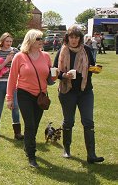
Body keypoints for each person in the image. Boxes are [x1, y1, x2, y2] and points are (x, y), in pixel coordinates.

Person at [53, 26, 104, 164]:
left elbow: (91, 67)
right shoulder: (61, 51)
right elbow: (54, 71)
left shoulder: (87, 50)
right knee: (69, 121)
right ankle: (67, 150)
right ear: (67, 38)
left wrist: (95, 69)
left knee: (88, 122)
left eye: (76, 37)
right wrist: (64, 75)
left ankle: (91, 155)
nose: (74, 40)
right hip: (67, 92)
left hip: (85, 92)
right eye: (71, 37)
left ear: (80, 39)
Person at [6, 29, 54, 168]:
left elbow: (49, 77)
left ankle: (28, 146)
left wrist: (57, 76)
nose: (41, 41)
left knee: (35, 125)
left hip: (40, 96)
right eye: (38, 39)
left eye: (41, 38)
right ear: (31, 40)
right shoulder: (20, 57)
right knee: (30, 125)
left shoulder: (46, 56)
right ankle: (32, 155)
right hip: (24, 94)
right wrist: (9, 98)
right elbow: (12, 78)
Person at [0, 33, 23, 140]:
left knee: (15, 106)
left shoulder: (16, 52)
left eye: (10, 41)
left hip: (13, 82)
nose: (9, 43)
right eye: (7, 41)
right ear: (2, 41)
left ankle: (17, 133)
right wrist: (6, 61)